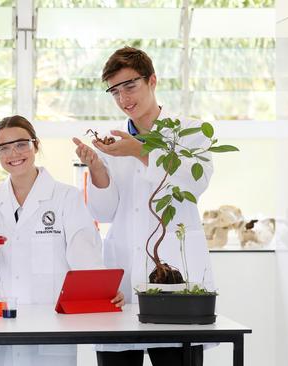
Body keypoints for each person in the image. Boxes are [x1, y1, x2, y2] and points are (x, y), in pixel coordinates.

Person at [72, 47, 214, 366]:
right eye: (115, 91)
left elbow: (195, 184)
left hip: (175, 279)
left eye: (130, 86)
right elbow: (104, 213)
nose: (123, 98)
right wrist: (97, 167)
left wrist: (140, 151)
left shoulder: (190, 132)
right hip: (122, 282)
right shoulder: (113, 143)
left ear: (152, 80)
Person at [0, 115, 123, 366]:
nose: (13, 153)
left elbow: (85, 255)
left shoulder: (66, 198)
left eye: (21, 144)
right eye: (3, 148)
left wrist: (104, 292)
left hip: (50, 324)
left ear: (35, 145)